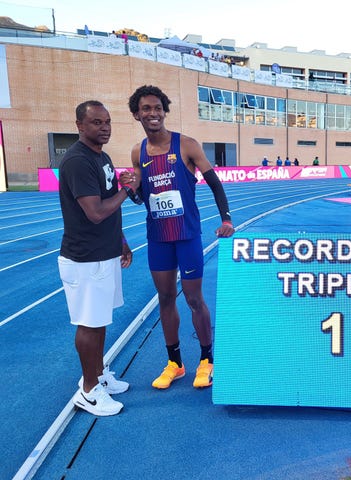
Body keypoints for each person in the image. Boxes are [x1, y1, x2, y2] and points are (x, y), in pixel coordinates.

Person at [127, 85, 235, 390]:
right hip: (159, 236)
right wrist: (131, 188)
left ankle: (206, 359)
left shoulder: (186, 145)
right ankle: (175, 363)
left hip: (186, 235)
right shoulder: (138, 152)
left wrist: (226, 218)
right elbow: (140, 198)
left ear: (165, 111)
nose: (153, 113)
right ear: (137, 114)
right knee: (164, 298)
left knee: (193, 298)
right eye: (146, 109)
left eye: (158, 108)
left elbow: (214, 183)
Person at [58, 100, 139, 416]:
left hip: (104, 254)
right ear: (79, 125)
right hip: (85, 259)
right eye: (96, 122)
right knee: (89, 324)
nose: (104, 127)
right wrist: (128, 189)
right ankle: (89, 390)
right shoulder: (77, 161)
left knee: (101, 319)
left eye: (107, 122)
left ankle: (100, 374)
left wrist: (121, 241)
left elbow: (107, 206)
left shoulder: (101, 156)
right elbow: (95, 212)